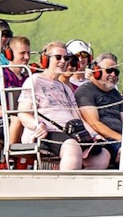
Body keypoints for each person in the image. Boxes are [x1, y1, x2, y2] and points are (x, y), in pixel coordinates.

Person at [17, 41, 110, 171]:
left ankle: (80, 186)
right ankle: (67, 188)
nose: (63, 61)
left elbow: (78, 117)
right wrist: (37, 125)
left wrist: (94, 134)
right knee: (72, 147)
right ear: (46, 60)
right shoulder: (35, 80)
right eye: (58, 57)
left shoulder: (65, 88)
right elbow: (23, 113)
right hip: (46, 132)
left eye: (66, 58)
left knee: (103, 155)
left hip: (70, 132)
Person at [75, 52, 123, 169]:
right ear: (96, 71)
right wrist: (122, 139)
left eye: (116, 72)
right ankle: (122, 186)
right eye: (109, 70)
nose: (113, 74)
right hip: (104, 140)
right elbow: (94, 123)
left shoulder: (116, 94)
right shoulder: (85, 91)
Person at [0, 35, 31, 143]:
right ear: (9, 54)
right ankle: (11, 154)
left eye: (28, 53)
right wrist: (14, 115)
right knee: (18, 120)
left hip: (23, 119)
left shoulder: (29, 78)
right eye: (22, 53)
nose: (26, 57)